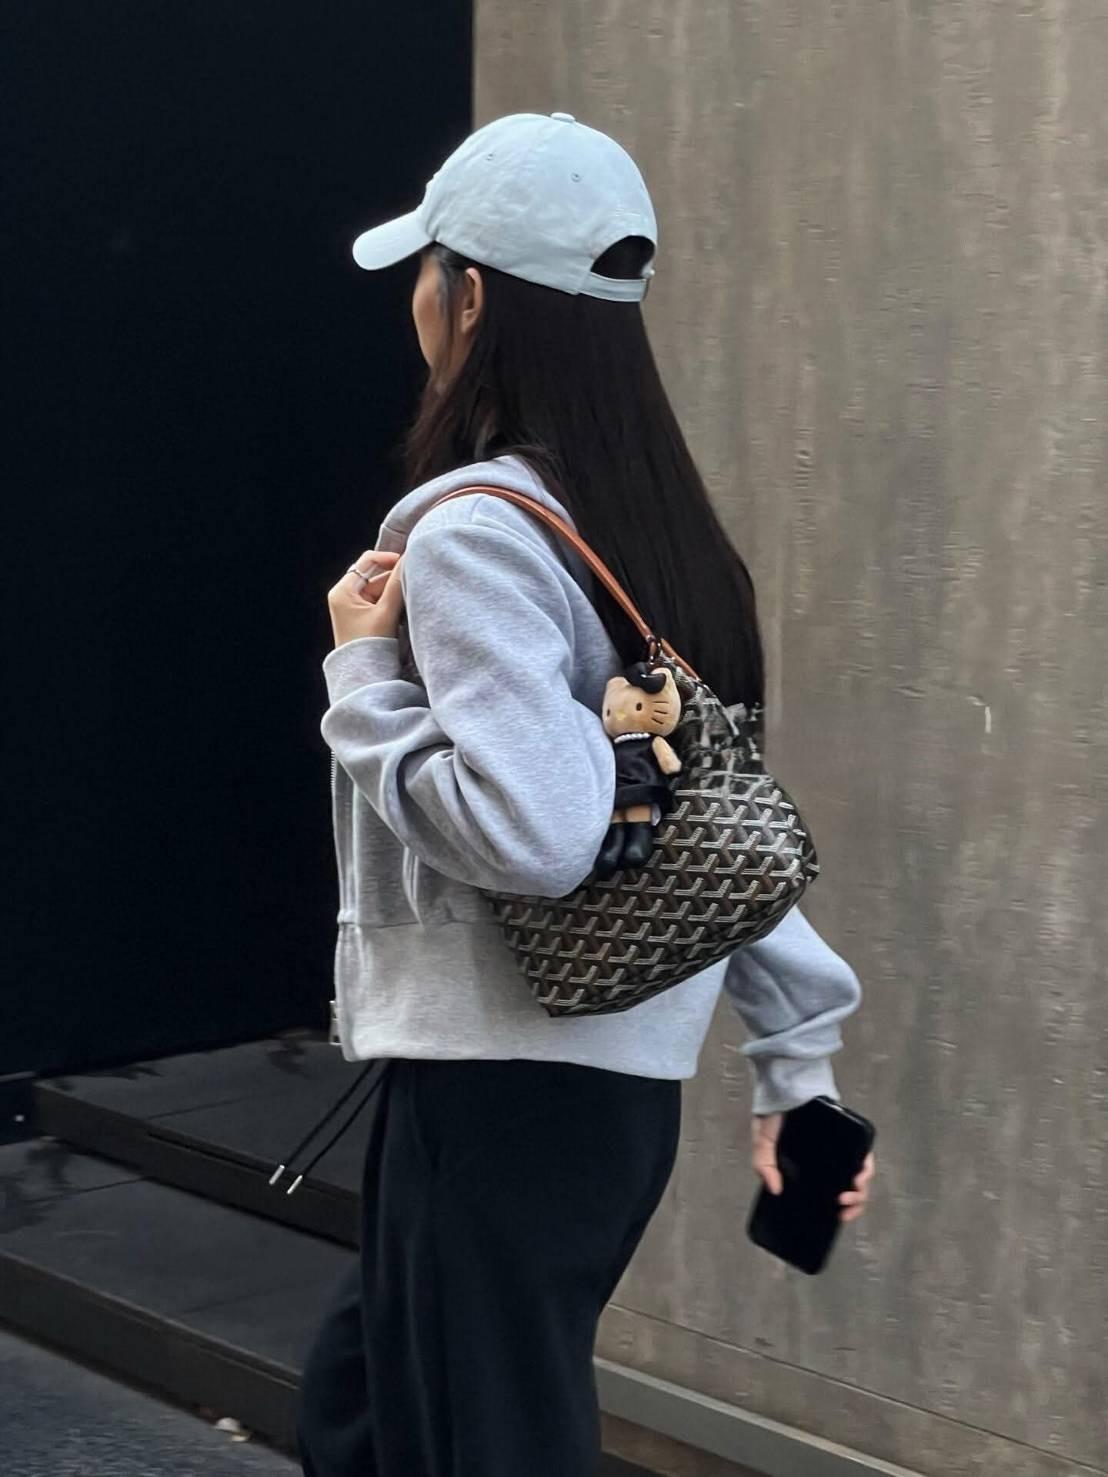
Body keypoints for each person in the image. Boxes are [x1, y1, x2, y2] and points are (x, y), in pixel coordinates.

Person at [297, 112, 875, 1477]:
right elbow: (710, 833)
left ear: (471, 297)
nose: (416, 300)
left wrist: (363, 679)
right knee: (362, 1406)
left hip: (500, 1088)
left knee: (474, 1439)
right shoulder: (654, 530)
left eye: (426, 270)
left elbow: (538, 836)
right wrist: (797, 1062)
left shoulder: (479, 535)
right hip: (602, 1107)